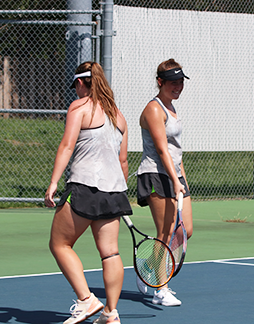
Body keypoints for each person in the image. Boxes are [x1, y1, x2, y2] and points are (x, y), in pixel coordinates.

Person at [45, 61, 131, 324]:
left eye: (77, 86)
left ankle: (86, 299)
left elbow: (66, 146)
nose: (76, 92)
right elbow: (123, 161)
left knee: (59, 244)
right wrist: (118, 193)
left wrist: (53, 183)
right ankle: (110, 312)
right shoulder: (119, 116)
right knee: (110, 253)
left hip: (84, 187)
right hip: (114, 193)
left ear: (81, 83)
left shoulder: (79, 107)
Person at [135, 59, 194, 306]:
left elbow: (175, 150)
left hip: (174, 175)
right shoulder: (154, 109)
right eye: (172, 82)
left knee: (185, 231)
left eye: (180, 82)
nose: (178, 86)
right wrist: (173, 178)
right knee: (165, 232)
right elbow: (161, 150)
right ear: (160, 82)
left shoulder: (171, 108)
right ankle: (160, 288)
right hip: (155, 175)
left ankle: (149, 265)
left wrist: (182, 180)